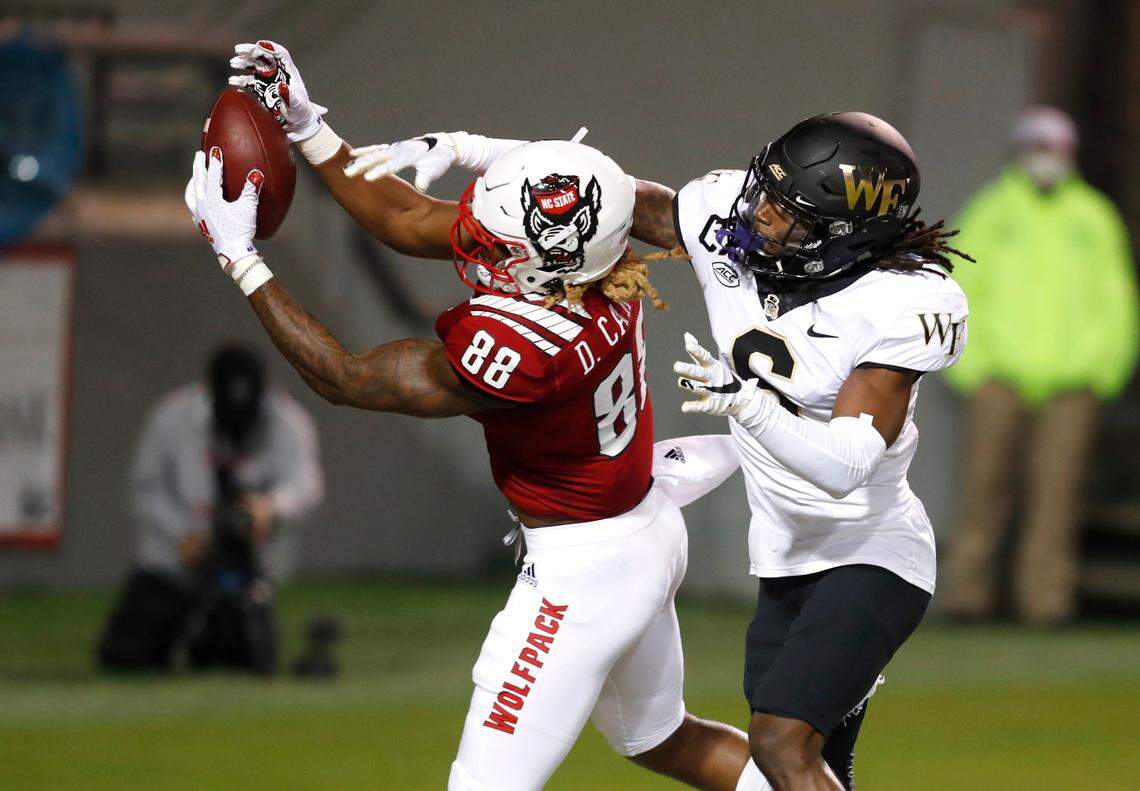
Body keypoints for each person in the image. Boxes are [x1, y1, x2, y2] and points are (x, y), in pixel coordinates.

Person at [197, 40, 769, 791]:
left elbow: (345, 377)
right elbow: (409, 217)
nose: (471, 238)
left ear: (539, 262)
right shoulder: (599, 248)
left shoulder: (527, 349)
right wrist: (307, 125)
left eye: (495, 241)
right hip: (643, 525)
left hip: (584, 570)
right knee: (662, 740)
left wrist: (239, 256)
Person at [366, 112, 972, 790]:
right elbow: (595, 195)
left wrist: (749, 406)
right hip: (784, 554)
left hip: (870, 548)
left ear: (845, 234)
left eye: (788, 214)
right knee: (807, 769)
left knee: (781, 744)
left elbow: (846, 466)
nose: (758, 215)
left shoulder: (902, 303)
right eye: (764, 192)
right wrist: (467, 147)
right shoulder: (731, 217)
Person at [938, 106, 1139, 625]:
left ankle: (1045, 603)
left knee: (1057, 496)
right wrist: (972, 366)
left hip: (1071, 384)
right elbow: (957, 289)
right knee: (981, 490)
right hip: (997, 378)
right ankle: (966, 597)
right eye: (1038, 146)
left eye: (1054, 148)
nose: (1045, 158)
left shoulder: (1092, 217)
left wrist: (1102, 370)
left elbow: (1117, 299)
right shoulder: (991, 210)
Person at [97, 344, 323, 673]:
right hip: (175, 564)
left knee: (244, 659)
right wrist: (181, 533)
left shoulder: (288, 423)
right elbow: (143, 489)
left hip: (247, 568)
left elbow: (306, 486)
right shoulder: (171, 417)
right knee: (126, 656)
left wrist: (269, 507)